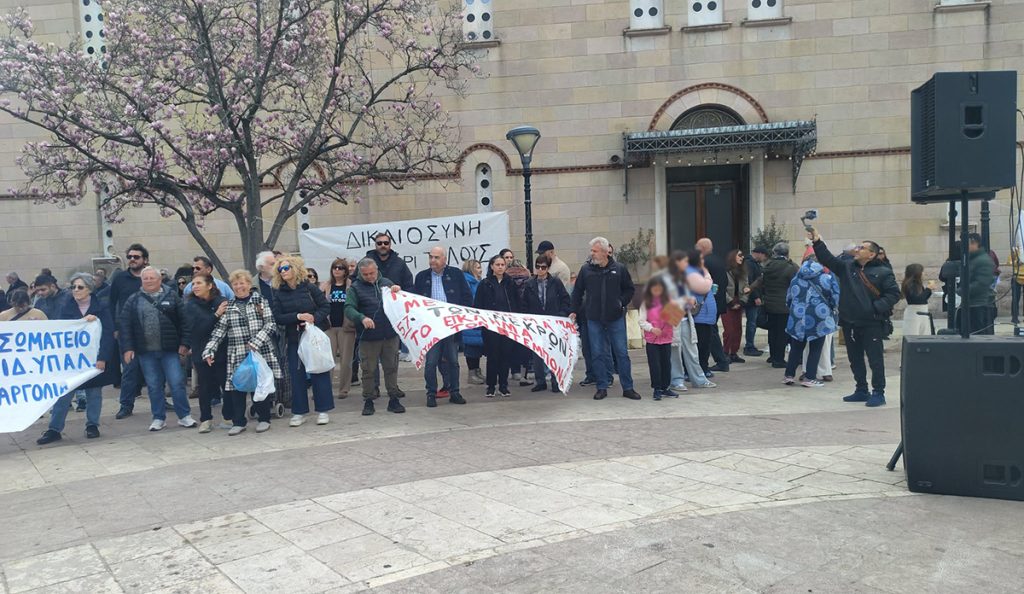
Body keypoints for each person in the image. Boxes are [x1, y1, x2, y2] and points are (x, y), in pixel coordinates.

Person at [811, 229, 900, 407]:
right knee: (855, 358)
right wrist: (817, 242)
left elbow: (893, 294)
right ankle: (861, 389)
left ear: (872, 254)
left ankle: (878, 392)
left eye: (862, 247)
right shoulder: (847, 267)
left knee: (875, 359)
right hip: (850, 322)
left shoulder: (883, 272)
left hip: (871, 323)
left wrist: (875, 308)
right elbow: (828, 259)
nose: (858, 249)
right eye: (858, 247)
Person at [203, 270, 283, 434]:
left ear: (249, 284)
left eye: (242, 283)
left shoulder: (260, 301)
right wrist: (209, 350)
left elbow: (270, 324)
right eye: (235, 284)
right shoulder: (229, 305)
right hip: (237, 353)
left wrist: (256, 341)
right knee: (237, 388)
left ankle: (264, 418)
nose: (239, 286)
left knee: (258, 386)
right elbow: (219, 331)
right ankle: (238, 422)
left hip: (259, 352)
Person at [119, 266, 196, 431]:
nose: (148, 281)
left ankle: (184, 416)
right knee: (153, 385)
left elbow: (185, 322)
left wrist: (185, 344)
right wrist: (128, 348)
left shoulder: (173, 297)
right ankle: (158, 417)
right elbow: (125, 326)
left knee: (176, 383)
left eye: (151, 278)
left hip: (170, 350)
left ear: (159, 280)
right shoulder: (133, 300)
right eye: (145, 278)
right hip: (145, 352)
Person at [571, 237, 641, 401]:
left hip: (615, 318)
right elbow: (577, 292)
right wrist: (574, 310)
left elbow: (629, 289)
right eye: (592, 251)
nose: (592, 254)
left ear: (604, 252)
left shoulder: (619, 269)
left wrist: (620, 303)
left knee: (622, 353)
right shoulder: (586, 270)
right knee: (597, 353)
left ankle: (628, 388)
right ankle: (601, 387)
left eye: (594, 251)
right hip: (594, 318)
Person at [272, 255, 334, 426]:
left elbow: (325, 306)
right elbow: (277, 316)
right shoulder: (278, 292)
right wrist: (297, 316)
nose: (283, 271)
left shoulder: (309, 288)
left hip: (313, 336)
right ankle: (299, 412)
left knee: (319, 371)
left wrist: (314, 317)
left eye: (286, 268)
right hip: (294, 338)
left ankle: (323, 410)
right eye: (280, 269)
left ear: (295, 268)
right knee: (296, 375)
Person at [413, 246, 473, 407]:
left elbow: (467, 297)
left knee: (453, 360)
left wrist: (460, 317)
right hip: (431, 327)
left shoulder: (456, 274)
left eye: (436, 257)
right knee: (431, 362)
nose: (433, 260)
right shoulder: (421, 277)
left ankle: (454, 392)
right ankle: (431, 393)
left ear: (444, 259)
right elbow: (415, 302)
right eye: (431, 257)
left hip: (450, 325)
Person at [345, 258, 405, 415]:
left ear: (377, 270)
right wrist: (361, 318)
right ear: (360, 273)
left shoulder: (386, 282)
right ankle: (368, 400)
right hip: (368, 337)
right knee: (368, 370)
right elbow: (349, 308)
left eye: (372, 273)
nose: (370, 277)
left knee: (391, 368)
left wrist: (398, 291)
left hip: (390, 335)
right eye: (365, 274)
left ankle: (393, 398)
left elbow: (400, 302)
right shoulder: (355, 288)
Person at [182, 273, 230, 433]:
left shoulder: (221, 301)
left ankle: (228, 416)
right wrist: (216, 315)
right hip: (201, 349)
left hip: (222, 349)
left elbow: (225, 325)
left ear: (210, 285)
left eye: (198, 283)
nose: (194, 286)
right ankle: (206, 419)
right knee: (205, 386)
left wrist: (217, 315)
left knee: (226, 383)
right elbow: (199, 328)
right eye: (193, 283)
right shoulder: (190, 305)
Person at [783, 258, 839, 388]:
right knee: (816, 348)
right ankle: (810, 377)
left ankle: (788, 376)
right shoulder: (826, 278)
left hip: (798, 317)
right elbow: (835, 297)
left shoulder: (796, 279)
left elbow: (788, 298)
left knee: (796, 347)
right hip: (819, 317)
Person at [109, 243, 149, 420]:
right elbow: (111, 303)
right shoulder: (120, 279)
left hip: (150, 330)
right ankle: (126, 405)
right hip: (127, 332)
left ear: (145, 260)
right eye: (130, 257)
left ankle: (161, 401)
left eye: (136, 257)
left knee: (154, 369)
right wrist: (115, 327)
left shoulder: (150, 277)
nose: (132, 260)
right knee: (129, 369)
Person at [522, 253, 571, 393]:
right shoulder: (530, 284)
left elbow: (565, 300)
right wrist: (528, 320)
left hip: (553, 321)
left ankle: (556, 381)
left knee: (554, 352)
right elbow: (524, 304)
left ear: (548, 268)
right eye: (537, 267)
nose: (540, 269)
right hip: (536, 322)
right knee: (537, 354)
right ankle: (540, 381)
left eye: (543, 267)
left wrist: (561, 315)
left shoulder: (555, 282)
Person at [474, 254, 520, 397]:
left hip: (507, 325)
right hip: (491, 326)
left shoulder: (510, 283)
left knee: (505, 355)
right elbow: (478, 304)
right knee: (492, 356)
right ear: (492, 266)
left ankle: (504, 385)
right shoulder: (485, 283)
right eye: (497, 265)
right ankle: (491, 385)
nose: (500, 267)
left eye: (502, 265)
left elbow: (517, 303)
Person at [366, 233, 414, 362]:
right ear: (375, 245)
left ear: (390, 245)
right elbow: (355, 281)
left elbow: (409, 284)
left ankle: (392, 379)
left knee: (391, 355)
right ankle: (373, 381)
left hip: (394, 310)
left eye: (385, 243)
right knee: (371, 360)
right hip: (372, 309)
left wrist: (403, 298)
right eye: (379, 243)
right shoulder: (366, 261)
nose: (383, 246)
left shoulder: (399, 263)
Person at [755, 242, 798, 368]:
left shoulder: (768, 266)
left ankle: (773, 356)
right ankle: (779, 360)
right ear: (787, 253)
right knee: (782, 333)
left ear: (775, 253)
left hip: (769, 304)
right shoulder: (791, 267)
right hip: (784, 305)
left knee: (772, 332)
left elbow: (761, 281)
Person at [322, 258, 356, 400]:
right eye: (335, 267)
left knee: (346, 359)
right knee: (328, 360)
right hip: (329, 326)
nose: (337, 270)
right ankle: (325, 388)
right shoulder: (325, 286)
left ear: (345, 271)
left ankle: (344, 389)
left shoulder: (351, 286)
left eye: (341, 268)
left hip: (346, 327)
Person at [696, 238, 731, 374]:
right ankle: (721, 360)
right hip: (718, 301)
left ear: (702, 248)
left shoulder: (705, 263)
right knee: (712, 331)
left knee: (710, 332)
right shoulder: (718, 260)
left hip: (709, 303)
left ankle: (721, 361)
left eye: (697, 247)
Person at [638, 276, 675, 401]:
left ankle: (666, 387)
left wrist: (672, 318)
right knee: (655, 365)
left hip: (666, 338)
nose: (657, 290)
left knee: (666, 363)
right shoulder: (646, 303)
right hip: (652, 339)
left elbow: (675, 319)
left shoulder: (669, 301)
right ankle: (657, 388)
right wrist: (651, 329)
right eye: (654, 288)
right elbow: (641, 321)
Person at [684, 250, 719, 376]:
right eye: (701, 259)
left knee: (705, 344)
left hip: (705, 316)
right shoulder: (690, 272)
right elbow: (704, 286)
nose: (704, 261)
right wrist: (706, 272)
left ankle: (703, 368)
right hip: (698, 316)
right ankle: (694, 371)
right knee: (699, 345)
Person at [502, 249, 534, 385]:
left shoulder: (505, 277)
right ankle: (523, 374)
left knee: (510, 344)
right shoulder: (527, 276)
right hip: (524, 313)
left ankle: (512, 371)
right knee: (524, 345)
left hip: (510, 314)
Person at [722, 249, 750, 363]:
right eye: (739, 255)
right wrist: (730, 302)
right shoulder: (726, 272)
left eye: (742, 256)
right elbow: (722, 289)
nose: (742, 257)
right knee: (729, 329)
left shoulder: (743, 272)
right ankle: (725, 352)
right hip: (728, 302)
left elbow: (746, 288)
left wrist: (742, 302)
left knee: (738, 329)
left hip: (739, 301)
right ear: (733, 257)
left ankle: (734, 352)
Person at [461, 259, 485, 385]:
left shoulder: (477, 282)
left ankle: (476, 370)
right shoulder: (467, 282)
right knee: (471, 346)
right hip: (470, 319)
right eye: (478, 267)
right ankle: (472, 372)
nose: (480, 269)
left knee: (476, 346)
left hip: (477, 319)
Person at [743, 247, 768, 357]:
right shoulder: (749, 263)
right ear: (759, 254)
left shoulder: (754, 263)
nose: (764, 258)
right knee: (752, 323)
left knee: (753, 322)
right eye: (764, 256)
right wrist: (756, 297)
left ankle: (750, 345)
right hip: (752, 298)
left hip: (753, 297)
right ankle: (749, 346)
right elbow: (750, 281)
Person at [901, 264, 934, 337]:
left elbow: (923, 299)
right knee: (913, 334)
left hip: (922, 312)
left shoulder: (917, 284)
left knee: (924, 334)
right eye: (922, 271)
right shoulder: (911, 284)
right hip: (914, 313)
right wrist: (928, 289)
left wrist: (929, 290)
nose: (923, 273)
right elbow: (918, 299)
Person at [1011, 247, 1024, 325]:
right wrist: (1017, 262)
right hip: (1017, 277)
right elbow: (1009, 262)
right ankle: (1014, 317)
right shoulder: (1015, 249)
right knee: (1016, 298)